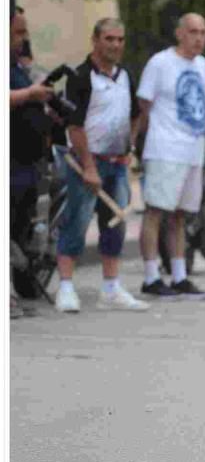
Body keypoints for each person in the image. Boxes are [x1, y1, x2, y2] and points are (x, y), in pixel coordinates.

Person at [54, 18, 149, 313]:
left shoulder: (124, 76)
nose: (115, 45)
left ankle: (110, 287)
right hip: (86, 164)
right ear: (95, 40)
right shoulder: (81, 77)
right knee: (77, 222)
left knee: (115, 225)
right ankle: (66, 287)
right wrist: (89, 167)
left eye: (120, 39)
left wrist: (129, 147)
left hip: (117, 164)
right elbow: (75, 127)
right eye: (109, 39)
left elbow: (136, 113)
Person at [135, 13, 205, 300]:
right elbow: (144, 104)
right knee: (156, 210)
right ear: (179, 33)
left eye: (203, 32)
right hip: (165, 148)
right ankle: (151, 276)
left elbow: (202, 104)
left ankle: (179, 275)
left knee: (180, 215)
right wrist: (140, 144)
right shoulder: (160, 63)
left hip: (193, 150)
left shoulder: (202, 65)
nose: (199, 38)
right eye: (193, 32)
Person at [10, 7, 54, 318]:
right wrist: (30, 93)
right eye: (18, 32)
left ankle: (12, 293)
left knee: (16, 229)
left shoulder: (18, 65)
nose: (23, 39)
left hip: (26, 162)